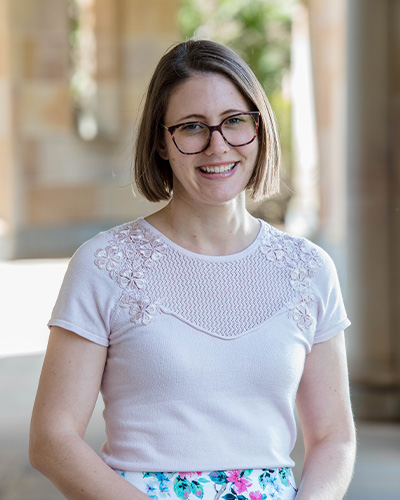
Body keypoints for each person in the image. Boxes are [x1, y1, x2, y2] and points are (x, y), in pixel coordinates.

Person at [29, 39, 356, 500]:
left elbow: (333, 438)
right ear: (161, 143)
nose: (216, 145)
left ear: (260, 129)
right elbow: (52, 439)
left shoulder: (309, 269)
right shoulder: (105, 264)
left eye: (235, 121)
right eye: (192, 127)